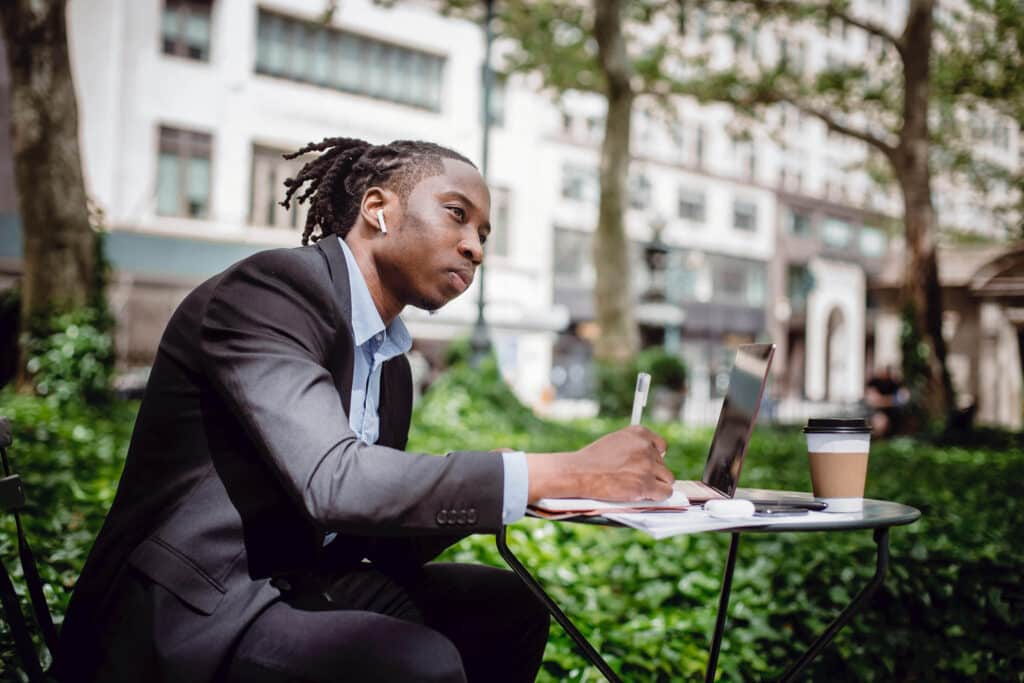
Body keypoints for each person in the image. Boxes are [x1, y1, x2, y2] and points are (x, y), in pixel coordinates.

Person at [55, 138, 674, 683]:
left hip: (302, 577)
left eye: (484, 235)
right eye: (458, 216)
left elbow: (377, 536)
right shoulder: (272, 292)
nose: (474, 248)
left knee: (508, 607)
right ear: (378, 209)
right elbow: (335, 481)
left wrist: (562, 492)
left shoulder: (393, 365)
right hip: (198, 604)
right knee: (410, 663)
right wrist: (557, 470)